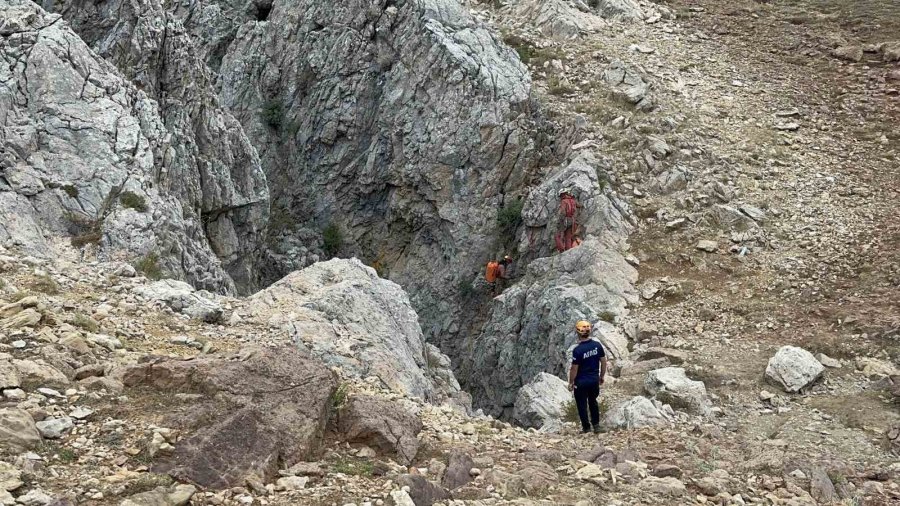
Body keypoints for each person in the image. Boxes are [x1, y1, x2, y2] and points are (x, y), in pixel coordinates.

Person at [568, 320, 607, 434]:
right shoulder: (597, 345)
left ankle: (586, 428)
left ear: (578, 332)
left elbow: (574, 368)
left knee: (582, 405)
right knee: (593, 402)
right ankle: (596, 425)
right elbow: (603, 362)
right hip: (594, 380)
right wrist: (601, 376)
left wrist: (571, 382)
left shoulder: (578, 350)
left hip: (581, 382)